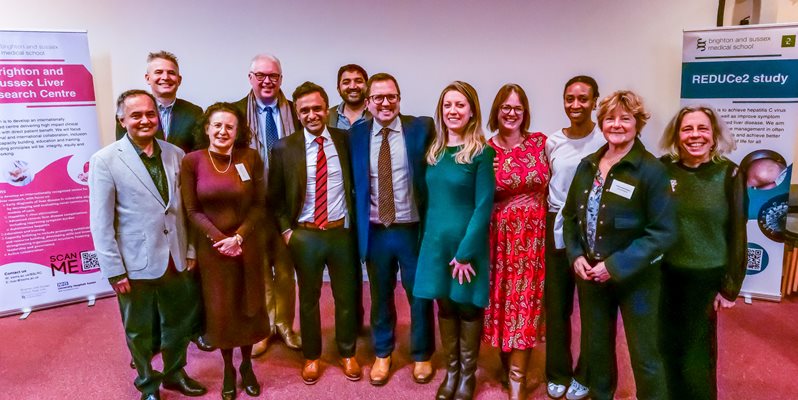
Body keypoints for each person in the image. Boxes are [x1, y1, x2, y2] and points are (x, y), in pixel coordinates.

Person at [89, 90, 206, 400]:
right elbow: (101, 223)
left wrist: (190, 250)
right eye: (136, 115)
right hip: (134, 263)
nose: (144, 120)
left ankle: (175, 374)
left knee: (178, 323)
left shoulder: (175, 154)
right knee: (139, 329)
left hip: (176, 257)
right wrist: (114, 271)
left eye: (150, 114)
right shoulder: (105, 161)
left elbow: (185, 210)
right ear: (122, 120)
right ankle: (147, 383)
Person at [562, 90, 676, 400]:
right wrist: (575, 255)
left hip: (637, 277)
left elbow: (663, 232)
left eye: (625, 119)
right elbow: (570, 216)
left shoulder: (651, 170)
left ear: (637, 124)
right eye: (610, 118)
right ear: (601, 123)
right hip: (591, 275)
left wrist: (614, 266)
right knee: (597, 348)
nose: (616, 125)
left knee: (645, 353)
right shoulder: (588, 165)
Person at [268, 82, 361, 385]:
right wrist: (287, 232)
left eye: (317, 108)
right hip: (305, 235)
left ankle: (347, 352)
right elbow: (275, 198)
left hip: (340, 232)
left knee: (346, 297)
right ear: (297, 113)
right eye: (305, 110)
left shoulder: (345, 140)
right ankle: (311, 356)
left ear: (326, 108)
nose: (312, 115)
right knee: (308, 299)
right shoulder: (284, 147)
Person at [350, 72, 435, 386]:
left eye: (391, 97)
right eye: (378, 97)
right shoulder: (356, 135)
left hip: (411, 229)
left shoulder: (421, 128)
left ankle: (422, 354)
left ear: (399, 99)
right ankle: (382, 353)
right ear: (368, 102)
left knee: (419, 294)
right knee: (380, 295)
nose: (385, 103)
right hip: (376, 231)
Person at [181, 103, 270, 400]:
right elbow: (192, 210)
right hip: (214, 251)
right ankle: (229, 369)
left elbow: (259, 205)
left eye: (229, 126)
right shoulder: (192, 161)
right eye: (217, 125)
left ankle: (247, 366)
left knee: (248, 307)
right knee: (222, 312)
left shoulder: (250, 157)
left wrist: (239, 237)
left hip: (247, 246)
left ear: (237, 131)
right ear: (207, 128)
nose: (223, 131)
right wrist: (221, 239)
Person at [414, 81, 496, 400]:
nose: (453, 111)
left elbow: (483, 206)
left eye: (460, 105)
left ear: (472, 111)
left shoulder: (481, 153)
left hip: (466, 247)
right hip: (435, 245)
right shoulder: (434, 152)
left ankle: (467, 375)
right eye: (447, 105)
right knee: (445, 306)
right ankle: (451, 372)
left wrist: (465, 253)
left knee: (468, 308)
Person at [659, 106, 747, 400]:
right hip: (665, 275)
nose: (695, 135)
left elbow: (738, 232)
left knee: (696, 355)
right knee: (666, 348)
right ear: (676, 136)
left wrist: (731, 285)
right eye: (687, 129)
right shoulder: (664, 169)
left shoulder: (729, 173)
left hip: (705, 277)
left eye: (702, 129)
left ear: (713, 135)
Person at [481, 84, 548, 400]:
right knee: (503, 301)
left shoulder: (540, 143)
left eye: (517, 108)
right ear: (496, 111)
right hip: (499, 238)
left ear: (525, 112)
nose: (511, 113)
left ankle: (517, 379)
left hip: (534, 238)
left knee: (526, 303)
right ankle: (506, 363)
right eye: (505, 107)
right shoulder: (485, 150)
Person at [233, 53, 303, 355]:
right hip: (252, 205)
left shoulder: (296, 111)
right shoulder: (236, 112)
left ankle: (285, 324)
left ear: (281, 79)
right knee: (259, 269)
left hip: (289, 204)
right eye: (260, 75)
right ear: (250, 78)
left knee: (286, 269)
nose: (266, 81)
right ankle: (266, 325)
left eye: (273, 76)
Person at [543, 76, 604, 400]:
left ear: (595, 101)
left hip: (591, 227)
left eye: (583, 98)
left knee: (593, 309)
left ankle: (585, 374)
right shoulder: (553, 141)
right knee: (557, 307)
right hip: (556, 224)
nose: (576, 105)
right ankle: (557, 373)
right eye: (570, 98)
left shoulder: (604, 139)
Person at [115, 51, 203, 154]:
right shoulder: (128, 110)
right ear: (148, 78)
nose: (165, 77)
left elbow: (199, 153)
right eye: (158, 72)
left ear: (179, 80)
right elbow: (123, 150)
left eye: (171, 73)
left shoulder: (194, 112)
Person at [328, 64, 372, 130]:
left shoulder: (377, 114)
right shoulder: (327, 116)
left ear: (367, 87)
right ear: (338, 89)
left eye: (358, 81)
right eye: (346, 82)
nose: (353, 87)